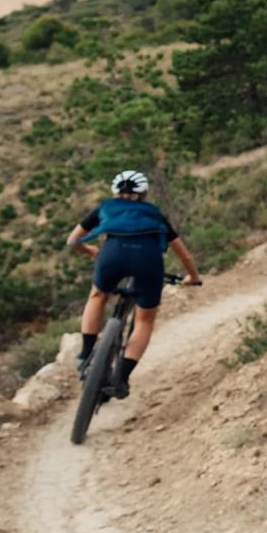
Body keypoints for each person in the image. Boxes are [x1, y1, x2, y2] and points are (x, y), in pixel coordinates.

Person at [67, 169, 200, 398]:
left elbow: (73, 240)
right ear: (144, 194)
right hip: (147, 261)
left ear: (114, 191)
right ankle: (122, 378)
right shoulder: (154, 214)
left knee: (97, 296)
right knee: (144, 319)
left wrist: (90, 251)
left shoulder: (106, 208)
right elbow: (185, 256)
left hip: (112, 256)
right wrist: (193, 277)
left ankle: (86, 353)